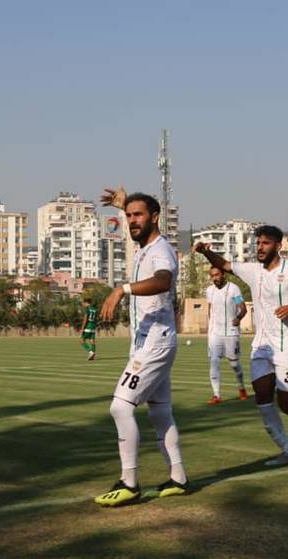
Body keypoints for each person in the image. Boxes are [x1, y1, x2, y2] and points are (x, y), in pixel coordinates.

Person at [195, 226, 288, 467]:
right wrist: (205, 253)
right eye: (258, 243)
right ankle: (287, 451)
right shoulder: (253, 271)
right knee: (262, 400)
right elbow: (226, 264)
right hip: (261, 347)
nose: (259, 247)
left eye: (265, 243)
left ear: (278, 246)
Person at [93, 187, 189, 507]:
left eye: (138, 216)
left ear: (156, 218)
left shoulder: (161, 251)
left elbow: (163, 281)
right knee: (161, 413)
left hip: (155, 344)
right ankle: (178, 478)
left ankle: (129, 483)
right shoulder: (145, 247)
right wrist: (124, 205)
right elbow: (137, 218)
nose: (132, 221)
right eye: (129, 216)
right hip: (149, 342)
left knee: (120, 406)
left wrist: (122, 289)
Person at [205, 266, 248, 404]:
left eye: (217, 275)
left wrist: (238, 318)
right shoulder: (209, 291)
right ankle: (216, 395)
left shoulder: (233, 289)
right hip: (215, 333)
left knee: (234, 364)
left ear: (223, 274)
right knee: (214, 362)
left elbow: (243, 308)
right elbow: (210, 309)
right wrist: (210, 325)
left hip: (231, 332)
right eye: (212, 276)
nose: (215, 278)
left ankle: (241, 387)